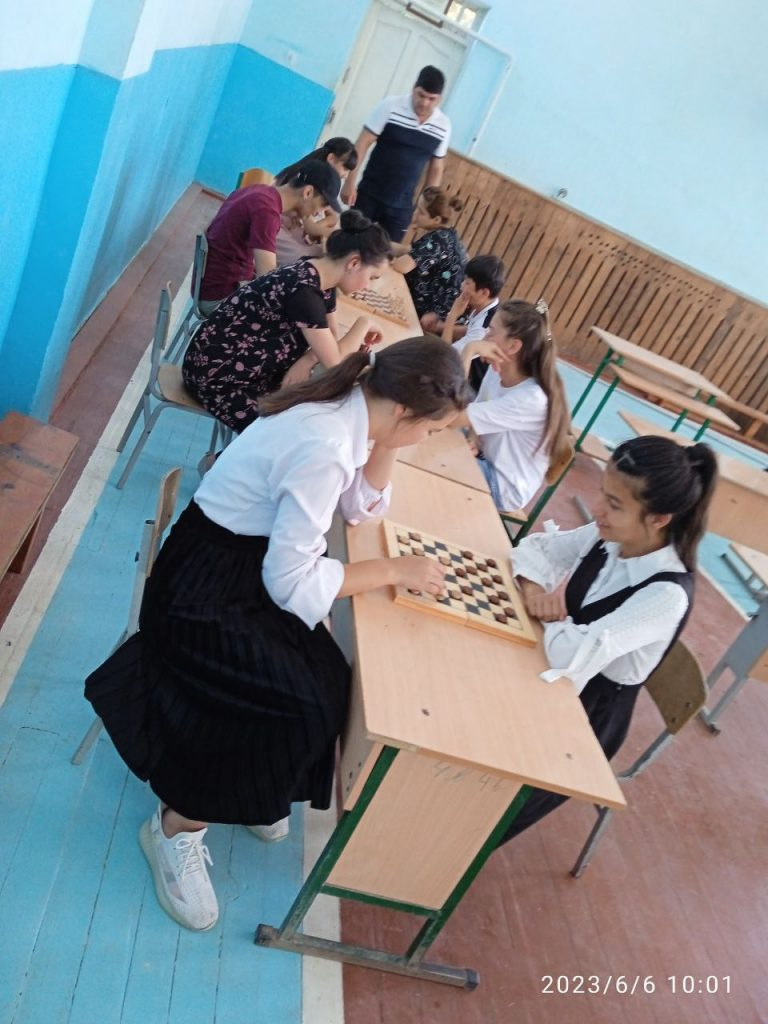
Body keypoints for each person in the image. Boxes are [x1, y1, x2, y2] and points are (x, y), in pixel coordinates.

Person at [84, 338, 471, 931]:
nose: (426, 440)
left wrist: (388, 442)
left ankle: (249, 791)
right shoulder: (325, 444)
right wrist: (394, 571)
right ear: (402, 410)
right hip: (200, 590)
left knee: (329, 678)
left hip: (237, 568)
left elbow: (361, 509)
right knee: (292, 700)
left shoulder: (349, 413)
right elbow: (291, 582)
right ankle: (176, 825)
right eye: (429, 430)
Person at [497, 435, 718, 845]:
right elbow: (536, 550)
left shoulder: (666, 595)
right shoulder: (611, 536)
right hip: (553, 681)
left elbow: (570, 656)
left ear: (659, 519)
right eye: (603, 493)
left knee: (488, 810)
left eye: (614, 505)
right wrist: (533, 592)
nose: (597, 509)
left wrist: (550, 618)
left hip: (585, 721)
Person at [182, 210, 391, 432]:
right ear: (354, 263)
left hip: (242, 370)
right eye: (372, 277)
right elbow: (335, 363)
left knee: (306, 414)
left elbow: (330, 339)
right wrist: (364, 322)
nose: (368, 286)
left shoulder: (318, 274)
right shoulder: (305, 292)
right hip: (216, 378)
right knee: (288, 431)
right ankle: (227, 454)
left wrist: (308, 358)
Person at [450, 299, 571, 511]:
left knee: (434, 450)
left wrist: (470, 350)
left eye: (491, 331)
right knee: (424, 430)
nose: (485, 337)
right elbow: (472, 412)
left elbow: (450, 414)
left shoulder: (531, 399)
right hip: (485, 459)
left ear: (514, 346)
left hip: (503, 485)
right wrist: (473, 437)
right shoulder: (497, 370)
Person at [198, 161, 342, 314]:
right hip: (219, 298)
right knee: (297, 317)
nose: (318, 213)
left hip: (213, 284)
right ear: (308, 192)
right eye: (322, 206)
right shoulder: (266, 211)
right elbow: (268, 283)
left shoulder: (260, 191)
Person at [341, 66, 452, 243]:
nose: (424, 103)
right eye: (421, 95)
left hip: (402, 206)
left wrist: (425, 208)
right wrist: (349, 183)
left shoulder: (443, 126)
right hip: (369, 193)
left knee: (386, 253)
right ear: (414, 88)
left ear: (439, 99)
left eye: (431, 99)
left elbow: (436, 168)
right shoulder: (390, 105)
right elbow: (362, 143)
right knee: (348, 241)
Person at [422, 254, 505, 393]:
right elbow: (469, 329)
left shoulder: (484, 328)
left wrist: (452, 316)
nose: (462, 286)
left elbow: (445, 356)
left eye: (467, 283)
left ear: (484, 293)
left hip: (470, 388)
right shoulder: (488, 307)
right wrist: (439, 327)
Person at [274, 138, 359, 266]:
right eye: (345, 168)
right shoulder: (312, 180)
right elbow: (310, 227)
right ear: (331, 158)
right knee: (311, 258)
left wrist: (321, 227)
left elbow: (332, 217)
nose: (346, 175)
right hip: (280, 226)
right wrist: (333, 234)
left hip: (289, 229)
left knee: (317, 253)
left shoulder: (321, 182)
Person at [391, 186, 466, 321]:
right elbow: (407, 251)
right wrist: (377, 242)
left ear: (436, 220)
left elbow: (401, 266)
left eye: (421, 212)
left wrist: (382, 256)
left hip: (433, 316)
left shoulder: (439, 239)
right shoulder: (446, 234)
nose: (415, 214)